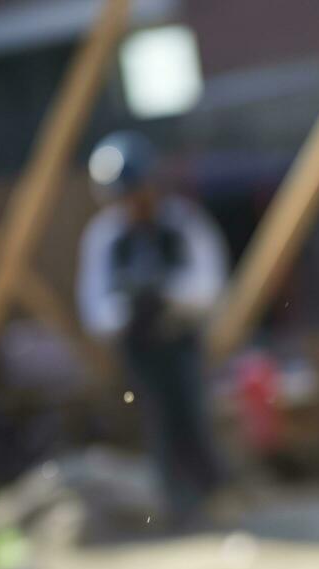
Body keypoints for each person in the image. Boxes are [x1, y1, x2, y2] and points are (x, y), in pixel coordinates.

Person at [76, 131, 229, 527]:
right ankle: (172, 504)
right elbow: (95, 306)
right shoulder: (106, 239)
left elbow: (208, 283)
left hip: (179, 338)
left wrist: (167, 294)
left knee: (191, 411)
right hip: (137, 348)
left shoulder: (181, 224)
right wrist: (126, 307)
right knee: (155, 419)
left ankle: (213, 497)